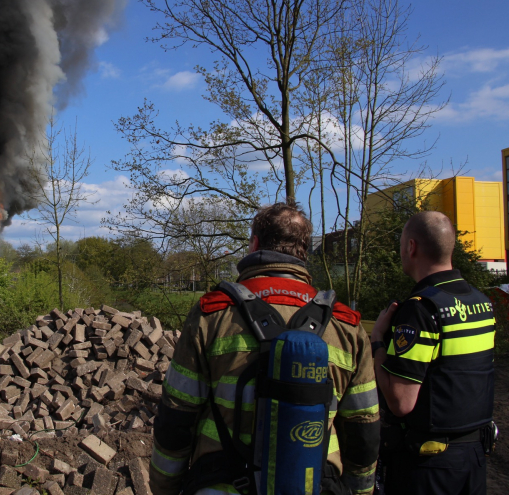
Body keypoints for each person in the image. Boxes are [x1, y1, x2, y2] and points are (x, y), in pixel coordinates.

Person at [150, 201, 379, 495]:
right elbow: (364, 429)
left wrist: (164, 488)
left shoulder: (213, 314)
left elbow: (176, 417)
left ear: (254, 244)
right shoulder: (346, 325)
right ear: (304, 252)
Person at [370, 211, 495, 495]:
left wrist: (378, 342)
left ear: (411, 247)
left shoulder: (421, 309)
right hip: (474, 460)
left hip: (430, 467)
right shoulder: (482, 303)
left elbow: (401, 402)